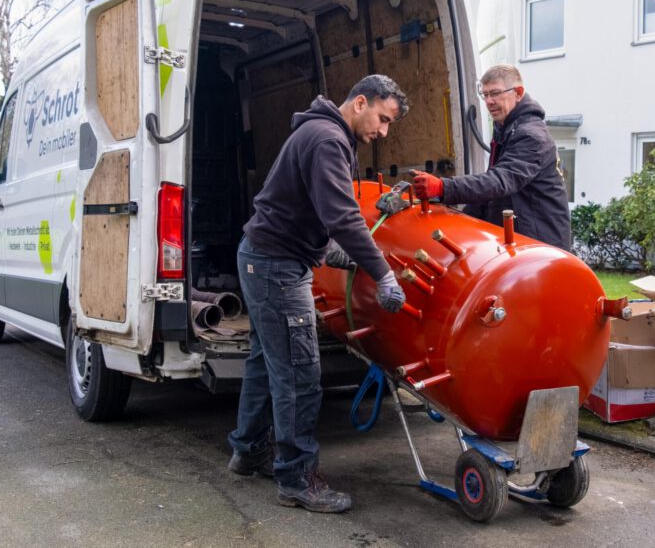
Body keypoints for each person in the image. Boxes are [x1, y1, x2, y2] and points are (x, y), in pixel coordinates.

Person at [228, 74, 409, 514]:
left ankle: (248, 448)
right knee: (298, 373)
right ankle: (296, 477)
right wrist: (382, 273)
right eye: (382, 120)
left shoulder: (321, 133)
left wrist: (332, 252)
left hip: (262, 258)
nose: (382, 132)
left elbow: (307, 209)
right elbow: (343, 218)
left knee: (264, 361)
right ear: (360, 101)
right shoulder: (328, 139)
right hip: (276, 267)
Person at [410, 65, 571, 250]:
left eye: (495, 93)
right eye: (485, 95)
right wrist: (457, 219)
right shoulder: (506, 128)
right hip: (522, 237)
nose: (489, 101)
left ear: (518, 92)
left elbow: (500, 181)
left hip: (542, 244)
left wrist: (443, 187)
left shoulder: (531, 135)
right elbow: (492, 191)